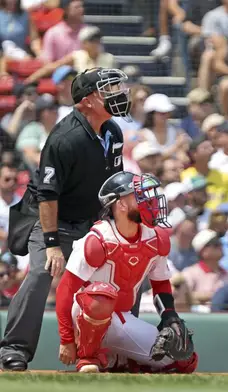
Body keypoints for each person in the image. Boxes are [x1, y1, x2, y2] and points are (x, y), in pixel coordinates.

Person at [0, 67, 130, 371]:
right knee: (41, 272)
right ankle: (14, 349)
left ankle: (114, 350)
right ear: (86, 101)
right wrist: (52, 244)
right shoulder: (65, 138)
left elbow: (113, 184)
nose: (118, 94)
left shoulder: (113, 131)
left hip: (89, 220)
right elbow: (47, 195)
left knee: (121, 270)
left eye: (117, 88)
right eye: (108, 90)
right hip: (48, 219)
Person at [55, 171, 198, 373]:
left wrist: (169, 316)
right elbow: (65, 290)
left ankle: (119, 360)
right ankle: (88, 358)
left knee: (184, 359)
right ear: (120, 204)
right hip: (85, 316)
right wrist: (66, 339)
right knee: (101, 297)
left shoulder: (155, 238)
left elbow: (161, 284)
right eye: (139, 196)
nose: (149, 201)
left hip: (121, 317)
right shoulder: (97, 240)